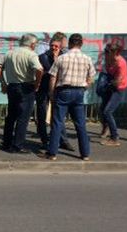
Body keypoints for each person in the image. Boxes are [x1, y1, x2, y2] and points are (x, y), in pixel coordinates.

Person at [45, 33, 96, 161]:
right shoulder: (87, 59)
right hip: (79, 92)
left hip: (63, 91)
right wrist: (84, 87)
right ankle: (85, 154)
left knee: (57, 122)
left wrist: (51, 93)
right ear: (81, 44)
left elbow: (53, 77)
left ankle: (52, 153)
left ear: (69, 43)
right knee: (80, 124)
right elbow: (91, 77)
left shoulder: (62, 58)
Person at [0, 34, 43, 153]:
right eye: (35, 44)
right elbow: (39, 69)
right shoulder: (31, 54)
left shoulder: (10, 53)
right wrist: (37, 84)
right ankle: (17, 145)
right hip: (26, 86)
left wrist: (3, 82)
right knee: (23, 117)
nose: (35, 46)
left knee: (11, 116)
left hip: (12, 86)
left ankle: (7, 142)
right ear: (32, 44)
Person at [36, 32, 74, 151]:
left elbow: (64, 71)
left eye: (56, 46)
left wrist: (58, 58)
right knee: (42, 116)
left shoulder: (64, 56)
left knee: (58, 116)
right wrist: (55, 59)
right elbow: (51, 70)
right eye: (52, 45)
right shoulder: (43, 56)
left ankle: (63, 140)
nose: (54, 48)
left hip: (58, 90)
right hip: (44, 89)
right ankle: (44, 140)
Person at [99, 42, 127, 146]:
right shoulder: (108, 59)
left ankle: (114, 138)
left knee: (108, 111)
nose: (105, 53)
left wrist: (108, 83)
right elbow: (106, 72)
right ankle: (105, 128)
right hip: (111, 84)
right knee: (102, 110)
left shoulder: (121, 63)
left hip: (118, 88)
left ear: (114, 52)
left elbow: (118, 81)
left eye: (107, 52)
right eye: (105, 51)